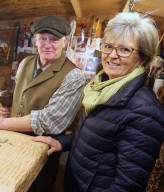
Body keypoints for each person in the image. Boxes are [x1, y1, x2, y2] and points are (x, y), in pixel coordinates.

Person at [32, 12, 164, 192]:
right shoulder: (101, 88)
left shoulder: (145, 111)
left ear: (142, 58)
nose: (112, 55)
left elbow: (126, 186)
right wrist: (62, 143)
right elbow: (98, 136)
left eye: (125, 50)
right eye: (108, 46)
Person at [0, 16, 85, 192]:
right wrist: (9, 108)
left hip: (41, 154)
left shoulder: (74, 76)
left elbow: (50, 120)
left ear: (64, 42)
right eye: (42, 38)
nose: (47, 44)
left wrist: (0, 123)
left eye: (54, 40)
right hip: (12, 144)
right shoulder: (26, 63)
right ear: (35, 41)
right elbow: (20, 94)